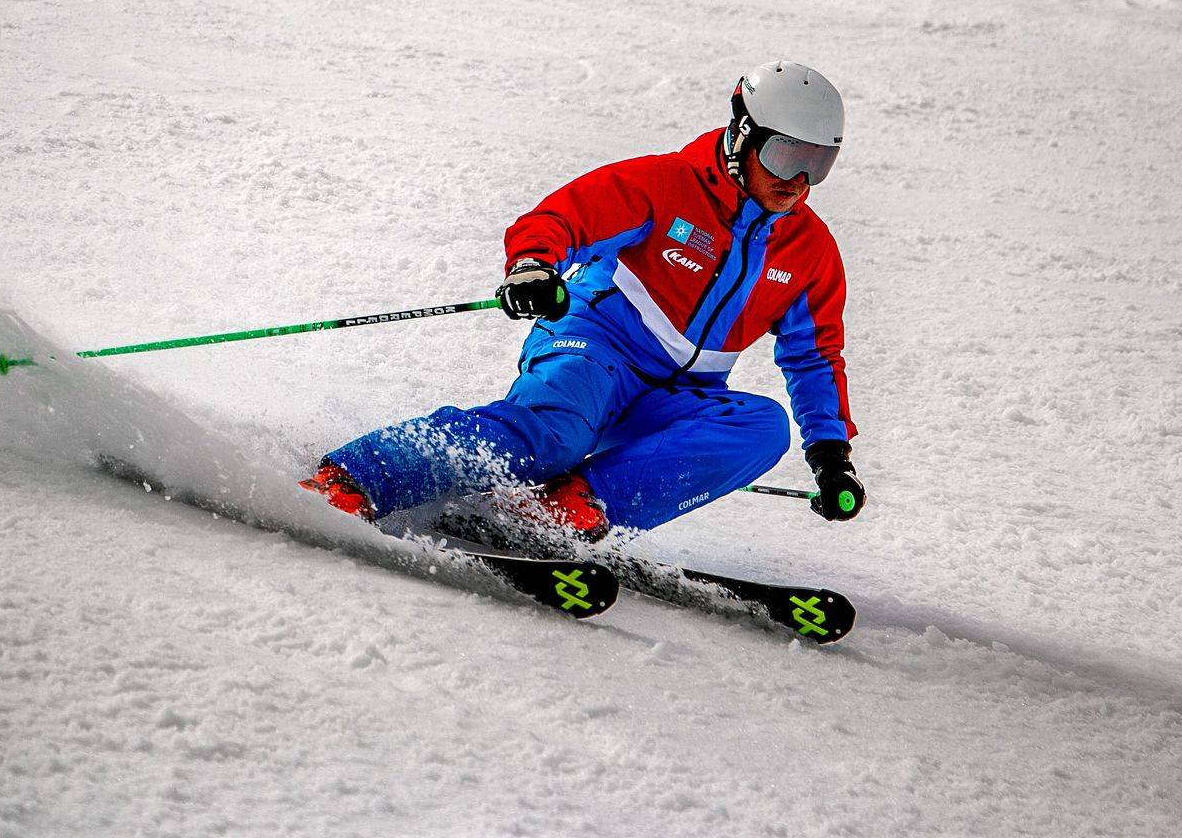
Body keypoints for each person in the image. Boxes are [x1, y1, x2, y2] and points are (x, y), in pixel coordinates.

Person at [302, 61, 866, 542]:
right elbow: (562, 218)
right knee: (556, 436)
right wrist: (532, 267)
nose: (798, 180)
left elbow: (814, 356)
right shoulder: (666, 184)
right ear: (742, 135)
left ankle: (567, 509)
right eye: (786, 156)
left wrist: (831, 454)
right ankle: (355, 478)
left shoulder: (809, 250)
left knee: (762, 426)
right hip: (595, 348)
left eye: (818, 163)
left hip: (678, 394)